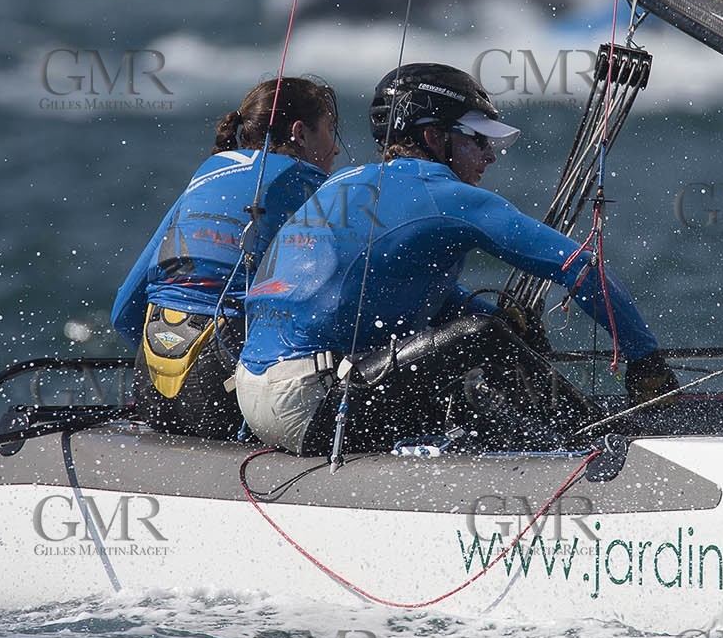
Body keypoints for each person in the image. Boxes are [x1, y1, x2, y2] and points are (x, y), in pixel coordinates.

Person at [235, 62, 675, 455]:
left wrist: (498, 318)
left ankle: (547, 438)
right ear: (433, 138)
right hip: (307, 404)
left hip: (253, 393)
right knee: (484, 336)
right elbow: (579, 266)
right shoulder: (448, 197)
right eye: (478, 140)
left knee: (484, 336)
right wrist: (645, 360)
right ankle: (599, 442)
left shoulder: (344, 181)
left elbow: (387, 290)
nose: (489, 155)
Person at [112, 76, 342, 439]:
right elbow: (343, 297)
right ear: (300, 132)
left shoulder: (207, 174)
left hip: (150, 387)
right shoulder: (312, 184)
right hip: (222, 392)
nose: (336, 150)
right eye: (330, 131)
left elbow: (124, 311)